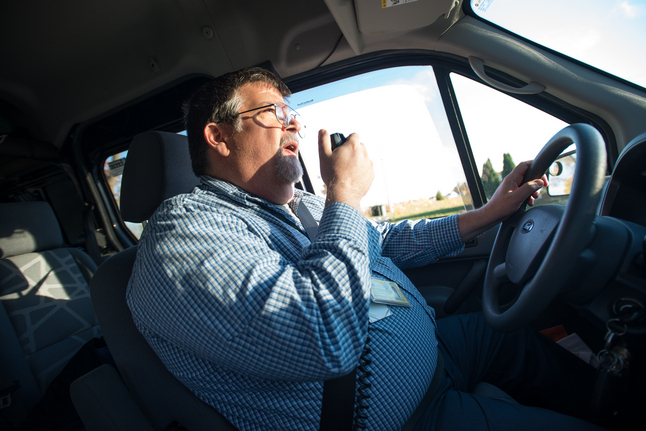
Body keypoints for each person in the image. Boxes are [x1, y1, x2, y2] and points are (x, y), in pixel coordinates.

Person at [126, 67, 604, 430]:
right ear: (219, 136)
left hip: (437, 354)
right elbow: (322, 337)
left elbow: (385, 242)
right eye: (273, 114)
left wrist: (488, 213)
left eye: (293, 116)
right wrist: (346, 195)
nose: (293, 127)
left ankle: (617, 403)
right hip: (402, 416)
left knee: (511, 336)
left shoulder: (305, 204)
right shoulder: (183, 231)